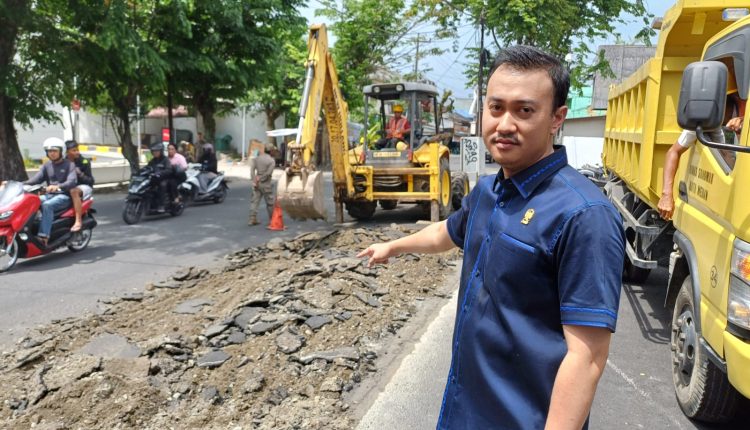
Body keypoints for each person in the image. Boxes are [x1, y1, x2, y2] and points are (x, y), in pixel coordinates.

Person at [358, 46, 625, 429]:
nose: (505, 124)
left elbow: (587, 358)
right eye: (496, 108)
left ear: (557, 118)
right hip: (464, 409)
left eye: (524, 110)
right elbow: (448, 232)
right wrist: (393, 246)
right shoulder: (488, 191)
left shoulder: (584, 216)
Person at [658, 93, 744, 220]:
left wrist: (744, 120)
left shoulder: (744, 110)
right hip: (719, 200)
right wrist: (666, 194)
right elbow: (673, 152)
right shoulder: (705, 118)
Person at [24, 137, 77, 246]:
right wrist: (19, 184)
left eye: (54, 151)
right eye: (49, 151)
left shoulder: (69, 165)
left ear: (61, 151)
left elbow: (72, 181)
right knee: (31, 201)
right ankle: (28, 230)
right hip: (49, 194)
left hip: (64, 195)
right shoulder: (47, 165)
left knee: (47, 205)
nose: (51, 153)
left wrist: (58, 186)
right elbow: (36, 180)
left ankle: (44, 237)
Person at [64, 140, 95, 232]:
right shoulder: (62, 162)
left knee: (74, 191)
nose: (77, 152)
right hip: (66, 187)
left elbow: (90, 181)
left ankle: (78, 221)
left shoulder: (84, 162)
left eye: (77, 150)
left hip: (83, 187)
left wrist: (80, 174)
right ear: (66, 152)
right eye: (74, 150)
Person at [248, 144, 276, 226]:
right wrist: (261, 179)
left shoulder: (257, 158)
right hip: (265, 183)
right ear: (271, 151)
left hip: (257, 183)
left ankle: (252, 219)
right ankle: (272, 220)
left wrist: (254, 180)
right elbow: (268, 173)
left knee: (255, 201)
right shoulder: (271, 161)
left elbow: (252, 171)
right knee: (270, 203)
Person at [146, 142, 173, 212]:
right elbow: (147, 168)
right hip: (154, 179)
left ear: (161, 151)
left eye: (157, 151)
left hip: (164, 178)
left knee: (162, 185)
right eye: (153, 151)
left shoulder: (165, 160)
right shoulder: (152, 161)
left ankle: (162, 205)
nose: (155, 153)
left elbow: (169, 170)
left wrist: (160, 173)